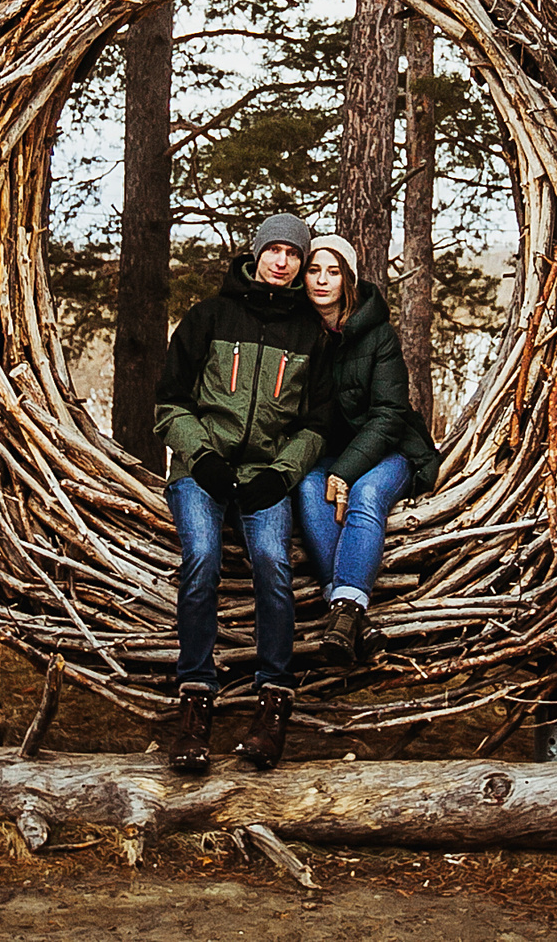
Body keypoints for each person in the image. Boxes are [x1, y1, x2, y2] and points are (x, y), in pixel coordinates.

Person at [154, 211, 331, 772]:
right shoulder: (209, 316)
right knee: (202, 557)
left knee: (273, 563)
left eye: (294, 254)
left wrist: (281, 473)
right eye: (274, 250)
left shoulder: (310, 334)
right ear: (255, 253)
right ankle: (195, 699)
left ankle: (273, 701)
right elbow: (169, 402)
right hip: (200, 471)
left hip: (265, 475)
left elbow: (317, 423)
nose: (282, 261)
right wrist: (202, 457)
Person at [295, 233, 443, 667]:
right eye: (314, 270)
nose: (322, 280)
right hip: (327, 454)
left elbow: (389, 414)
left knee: (367, 494)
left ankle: (342, 609)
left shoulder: (378, 334)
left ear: (349, 280)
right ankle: (351, 617)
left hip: (391, 450)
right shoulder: (297, 332)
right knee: (308, 489)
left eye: (333, 272)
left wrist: (345, 471)